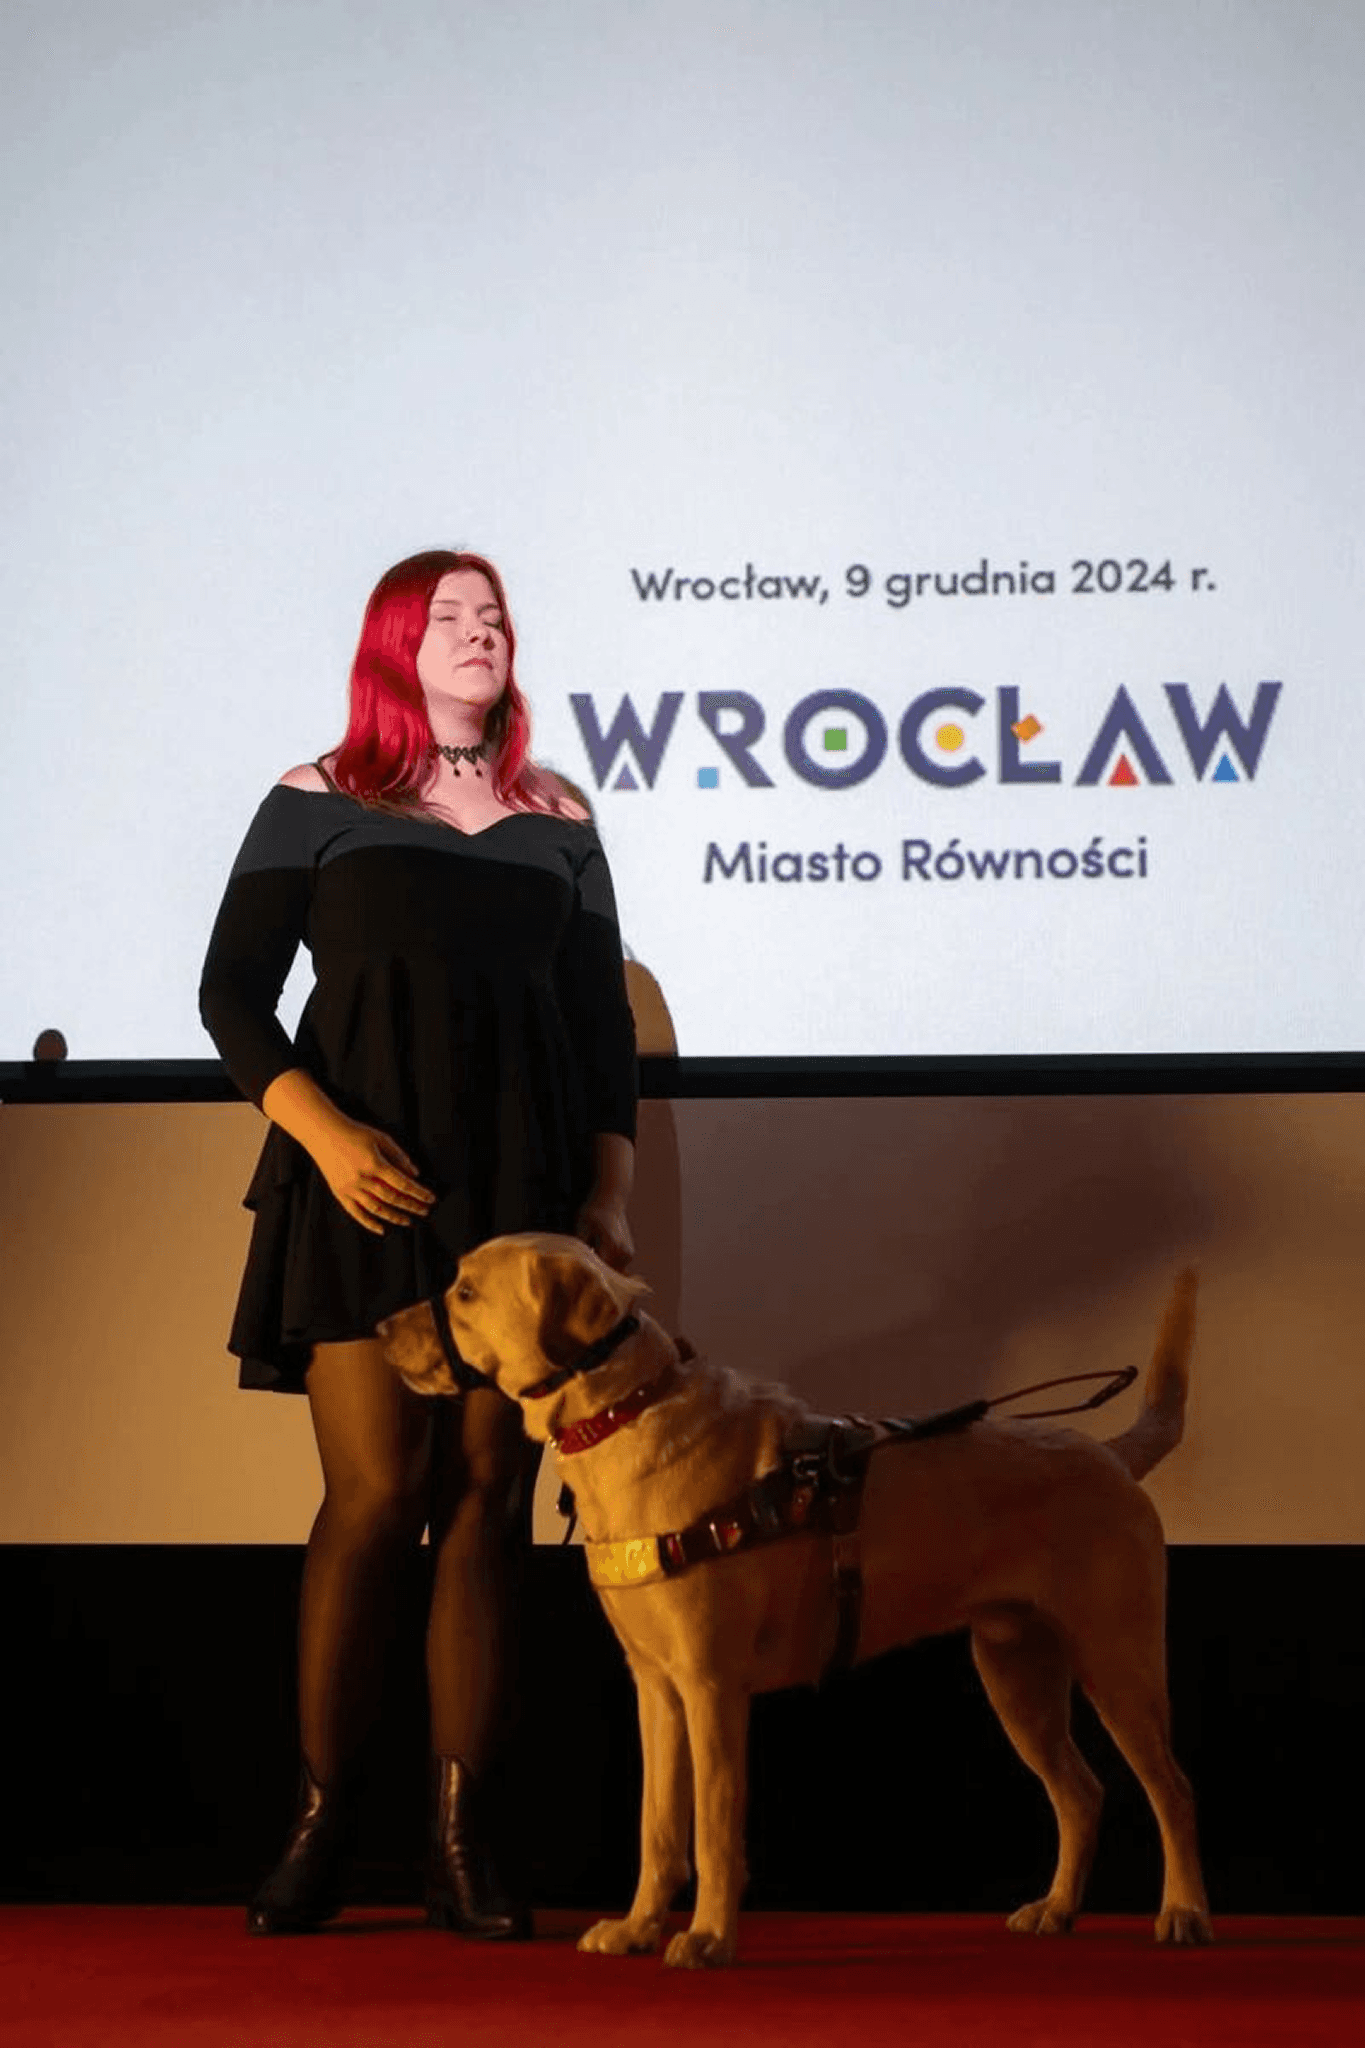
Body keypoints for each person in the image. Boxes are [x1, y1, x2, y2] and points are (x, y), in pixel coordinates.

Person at [199, 549, 638, 1939]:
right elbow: (230, 996)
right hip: (361, 1187)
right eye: (450, 615)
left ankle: (461, 1843)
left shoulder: (559, 813)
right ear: (396, 640)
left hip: (524, 1195)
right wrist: (326, 1138)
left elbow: (601, 1031)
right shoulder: (317, 797)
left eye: (494, 615)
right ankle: (323, 1828)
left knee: (491, 1502)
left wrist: (608, 1198)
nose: (479, 631)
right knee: (378, 1499)